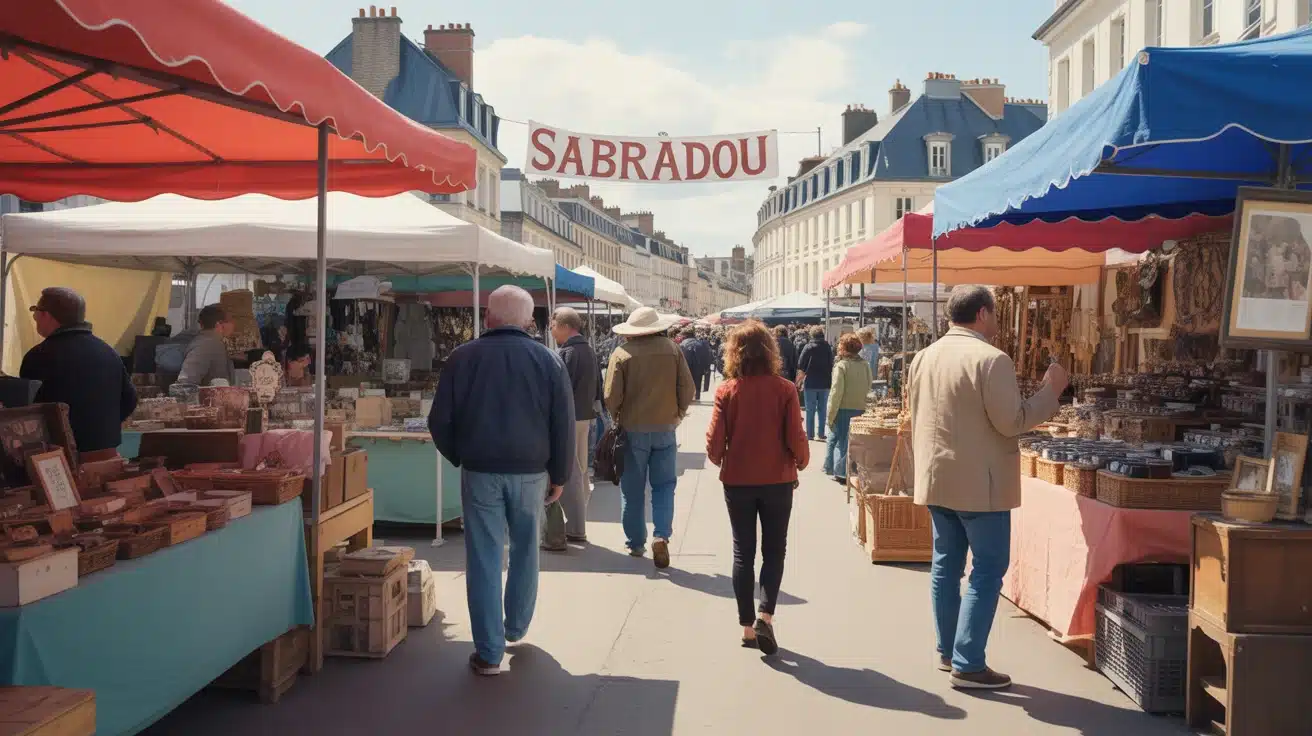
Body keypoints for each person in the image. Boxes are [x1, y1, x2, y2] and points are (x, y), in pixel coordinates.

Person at [907, 285, 1067, 690]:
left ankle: (949, 650)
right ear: (982, 314)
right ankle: (967, 661)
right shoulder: (991, 360)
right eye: (993, 314)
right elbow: (1011, 421)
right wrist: (1052, 391)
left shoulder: (924, 357)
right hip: (980, 484)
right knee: (987, 568)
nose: (996, 321)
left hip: (938, 476)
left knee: (946, 565)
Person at [429, 285, 576, 677]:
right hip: (530, 471)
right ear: (529, 321)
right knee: (527, 549)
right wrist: (560, 474)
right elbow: (563, 423)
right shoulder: (548, 360)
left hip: (481, 469)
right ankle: (516, 626)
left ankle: (489, 651)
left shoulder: (463, 358)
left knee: (484, 557)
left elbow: (439, 421)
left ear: (487, 317)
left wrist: (461, 454)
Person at [705, 321, 809, 656]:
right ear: (770, 352)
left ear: (733, 352)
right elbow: (796, 434)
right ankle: (766, 613)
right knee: (775, 549)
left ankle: (747, 626)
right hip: (778, 478)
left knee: (742, 552)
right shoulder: (784, 389)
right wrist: (802, 460)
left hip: (737, 479)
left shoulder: (727, 390)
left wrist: (723, 457)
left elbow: (713, 443)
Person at [605, 307, 695, 568]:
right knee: (664, 485)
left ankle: (635, 542)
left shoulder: (621, 353)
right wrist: (678, 413)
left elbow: (611, 396)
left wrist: (618, 417)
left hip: (633, 429)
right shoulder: (673, 349)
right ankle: (661, 535)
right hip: (666, 427)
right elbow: (687, 387)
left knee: (632, 489)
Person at [19, 287, 137, 458]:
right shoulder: (108, 352)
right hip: (106, 456)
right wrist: (102, 427)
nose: (35, 317)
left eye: (36, 311)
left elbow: (28, 414)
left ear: (46, 314)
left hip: (60, 458)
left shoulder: (39, 356)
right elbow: (130, 399)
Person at [544, 307, 601, 550]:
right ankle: (578, 524)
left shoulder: (567, 352)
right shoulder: (588, 350)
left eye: (553, 325)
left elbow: (557, 390)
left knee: (571, 472)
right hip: (584, 417)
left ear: (566, 327)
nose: (551, 331)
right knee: (580, 470)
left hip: (569, 419)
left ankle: (575, 527)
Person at [825, 334, 874, 484]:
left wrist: (830, 413)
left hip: (844, 408)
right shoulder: (865, 364)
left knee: (841, 441)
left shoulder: (842, 366)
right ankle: (844, 469)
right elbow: (869, 385)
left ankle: (840, 471)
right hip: (860, 408)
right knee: (854, 443)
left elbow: (836, 392)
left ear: (844, 348)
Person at [177, 304, 235, 386]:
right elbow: (186, 382)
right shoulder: (205, 346)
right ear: (219, 324)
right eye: (230, 321)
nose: (234, 324)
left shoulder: (215, 343)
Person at [796, 327, 834, 442]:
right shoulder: (827, 347)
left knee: (810, 409)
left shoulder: (808, 347)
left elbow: (801, 364)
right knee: (822, 409)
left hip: (811, 382)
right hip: (825, 382)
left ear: (812, 335)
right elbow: (831, 363)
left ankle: (810, 434)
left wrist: (798, 381)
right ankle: (821, 434)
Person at [679, 327, 713, 401]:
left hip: (686, 365)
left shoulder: (682, 344)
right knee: (698, 380)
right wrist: (706, 367)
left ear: (685, 335)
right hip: (698, 366)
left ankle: (688, 397)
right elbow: (706, 356)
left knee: (686, 381)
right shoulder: (700, 343)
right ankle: (697, 396)